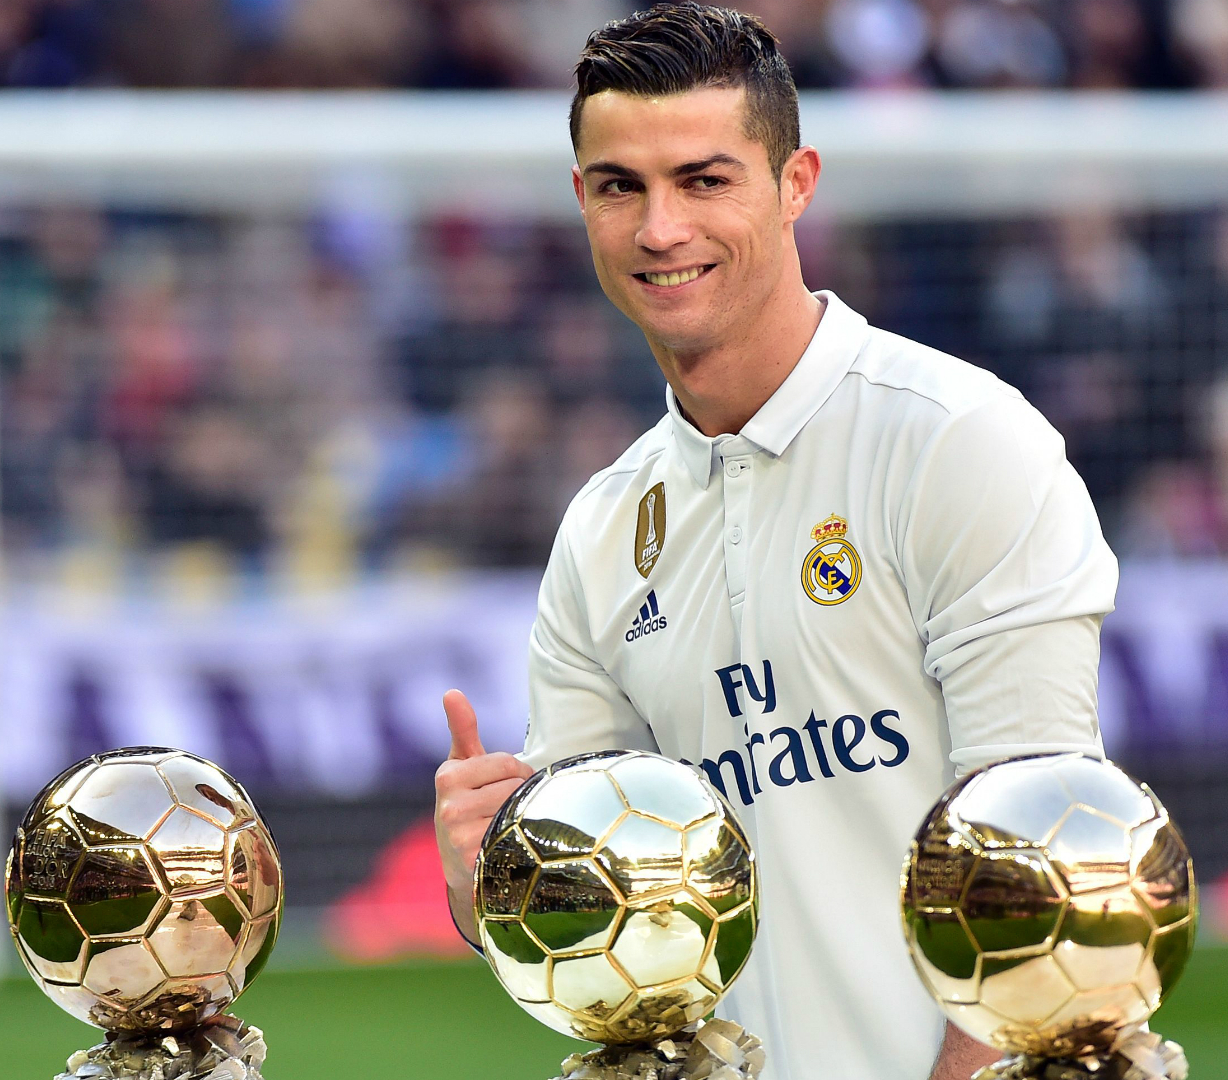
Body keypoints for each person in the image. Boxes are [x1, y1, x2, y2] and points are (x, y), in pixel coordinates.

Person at [431, 6, 1118, 1080]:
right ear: (583, 202)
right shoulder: (602, 531)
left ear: (797, 183)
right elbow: (609, 938)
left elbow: (1041, 860)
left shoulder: (955, 440)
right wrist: (493, 888)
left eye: (704, 180)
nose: (661, 228)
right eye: (621, 187)